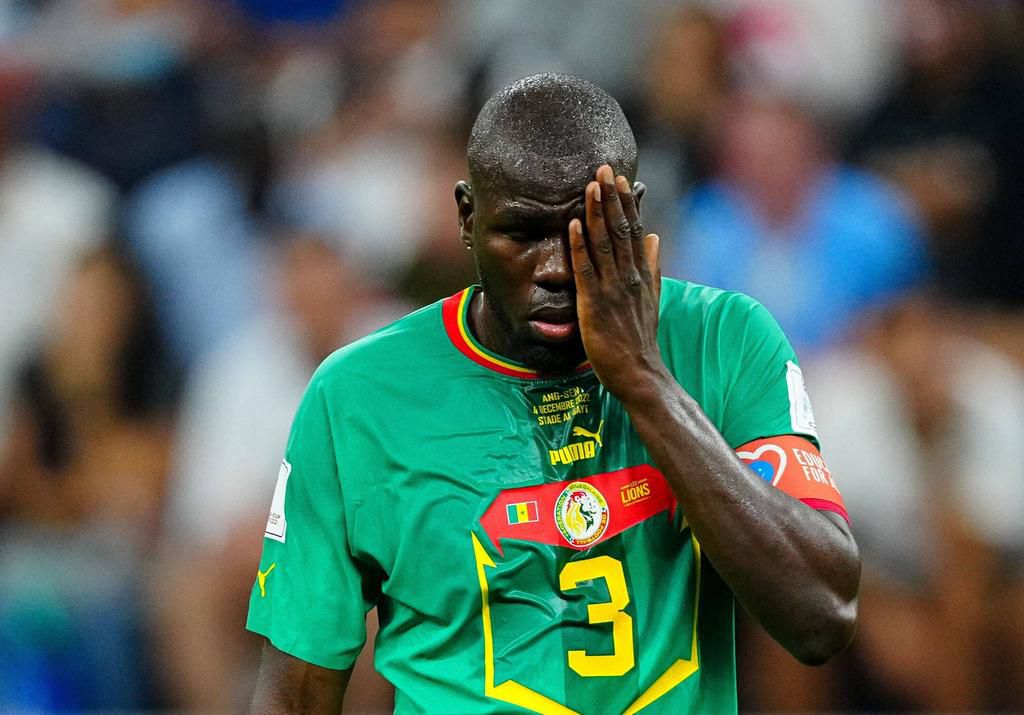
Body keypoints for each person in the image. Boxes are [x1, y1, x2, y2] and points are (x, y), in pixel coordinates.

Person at [246, 73, 859, 713]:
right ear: (467, 215)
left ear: (634, 212)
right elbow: (295, 695)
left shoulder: (724, 342)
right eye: (523, 233)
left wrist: (643, 379)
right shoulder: (358, 396)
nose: (556, 269)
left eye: (584, 231)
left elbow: (822, 613)